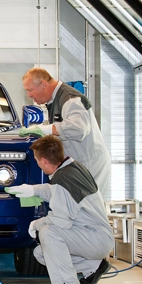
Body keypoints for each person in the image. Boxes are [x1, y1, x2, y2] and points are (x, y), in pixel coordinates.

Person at [7, 135, 114, 284]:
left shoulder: (62, 179)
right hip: (94, 235)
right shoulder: (73, 167)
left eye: (36, 160)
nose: (37, 163)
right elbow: (59, 193)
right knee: (40, 254)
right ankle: (94, 265)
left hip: (95, 238)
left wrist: (36, 225)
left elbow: (60, 222)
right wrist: (32, 190)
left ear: (43, 161)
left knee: (49, 232)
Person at [20, 67, 111, 197]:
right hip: (80, 163)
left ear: (43, 84)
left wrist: (45, 129)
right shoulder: (55, 100)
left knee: (85, 212)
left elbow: (79, 128)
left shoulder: (70, 99)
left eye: (30, 90)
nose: (29, 95)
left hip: (90, 164)